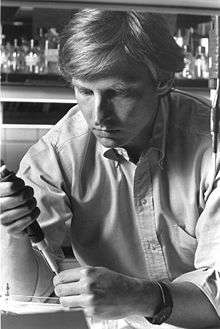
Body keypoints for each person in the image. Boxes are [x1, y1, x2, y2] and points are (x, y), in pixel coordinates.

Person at [0, 9, 220, 329]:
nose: (99, 115)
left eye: (119, 92)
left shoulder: (211, 147)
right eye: (85, 91)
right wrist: (11, 230)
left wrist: (143, 297)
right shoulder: (57, 153)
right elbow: (26, 298)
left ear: (162, 81)